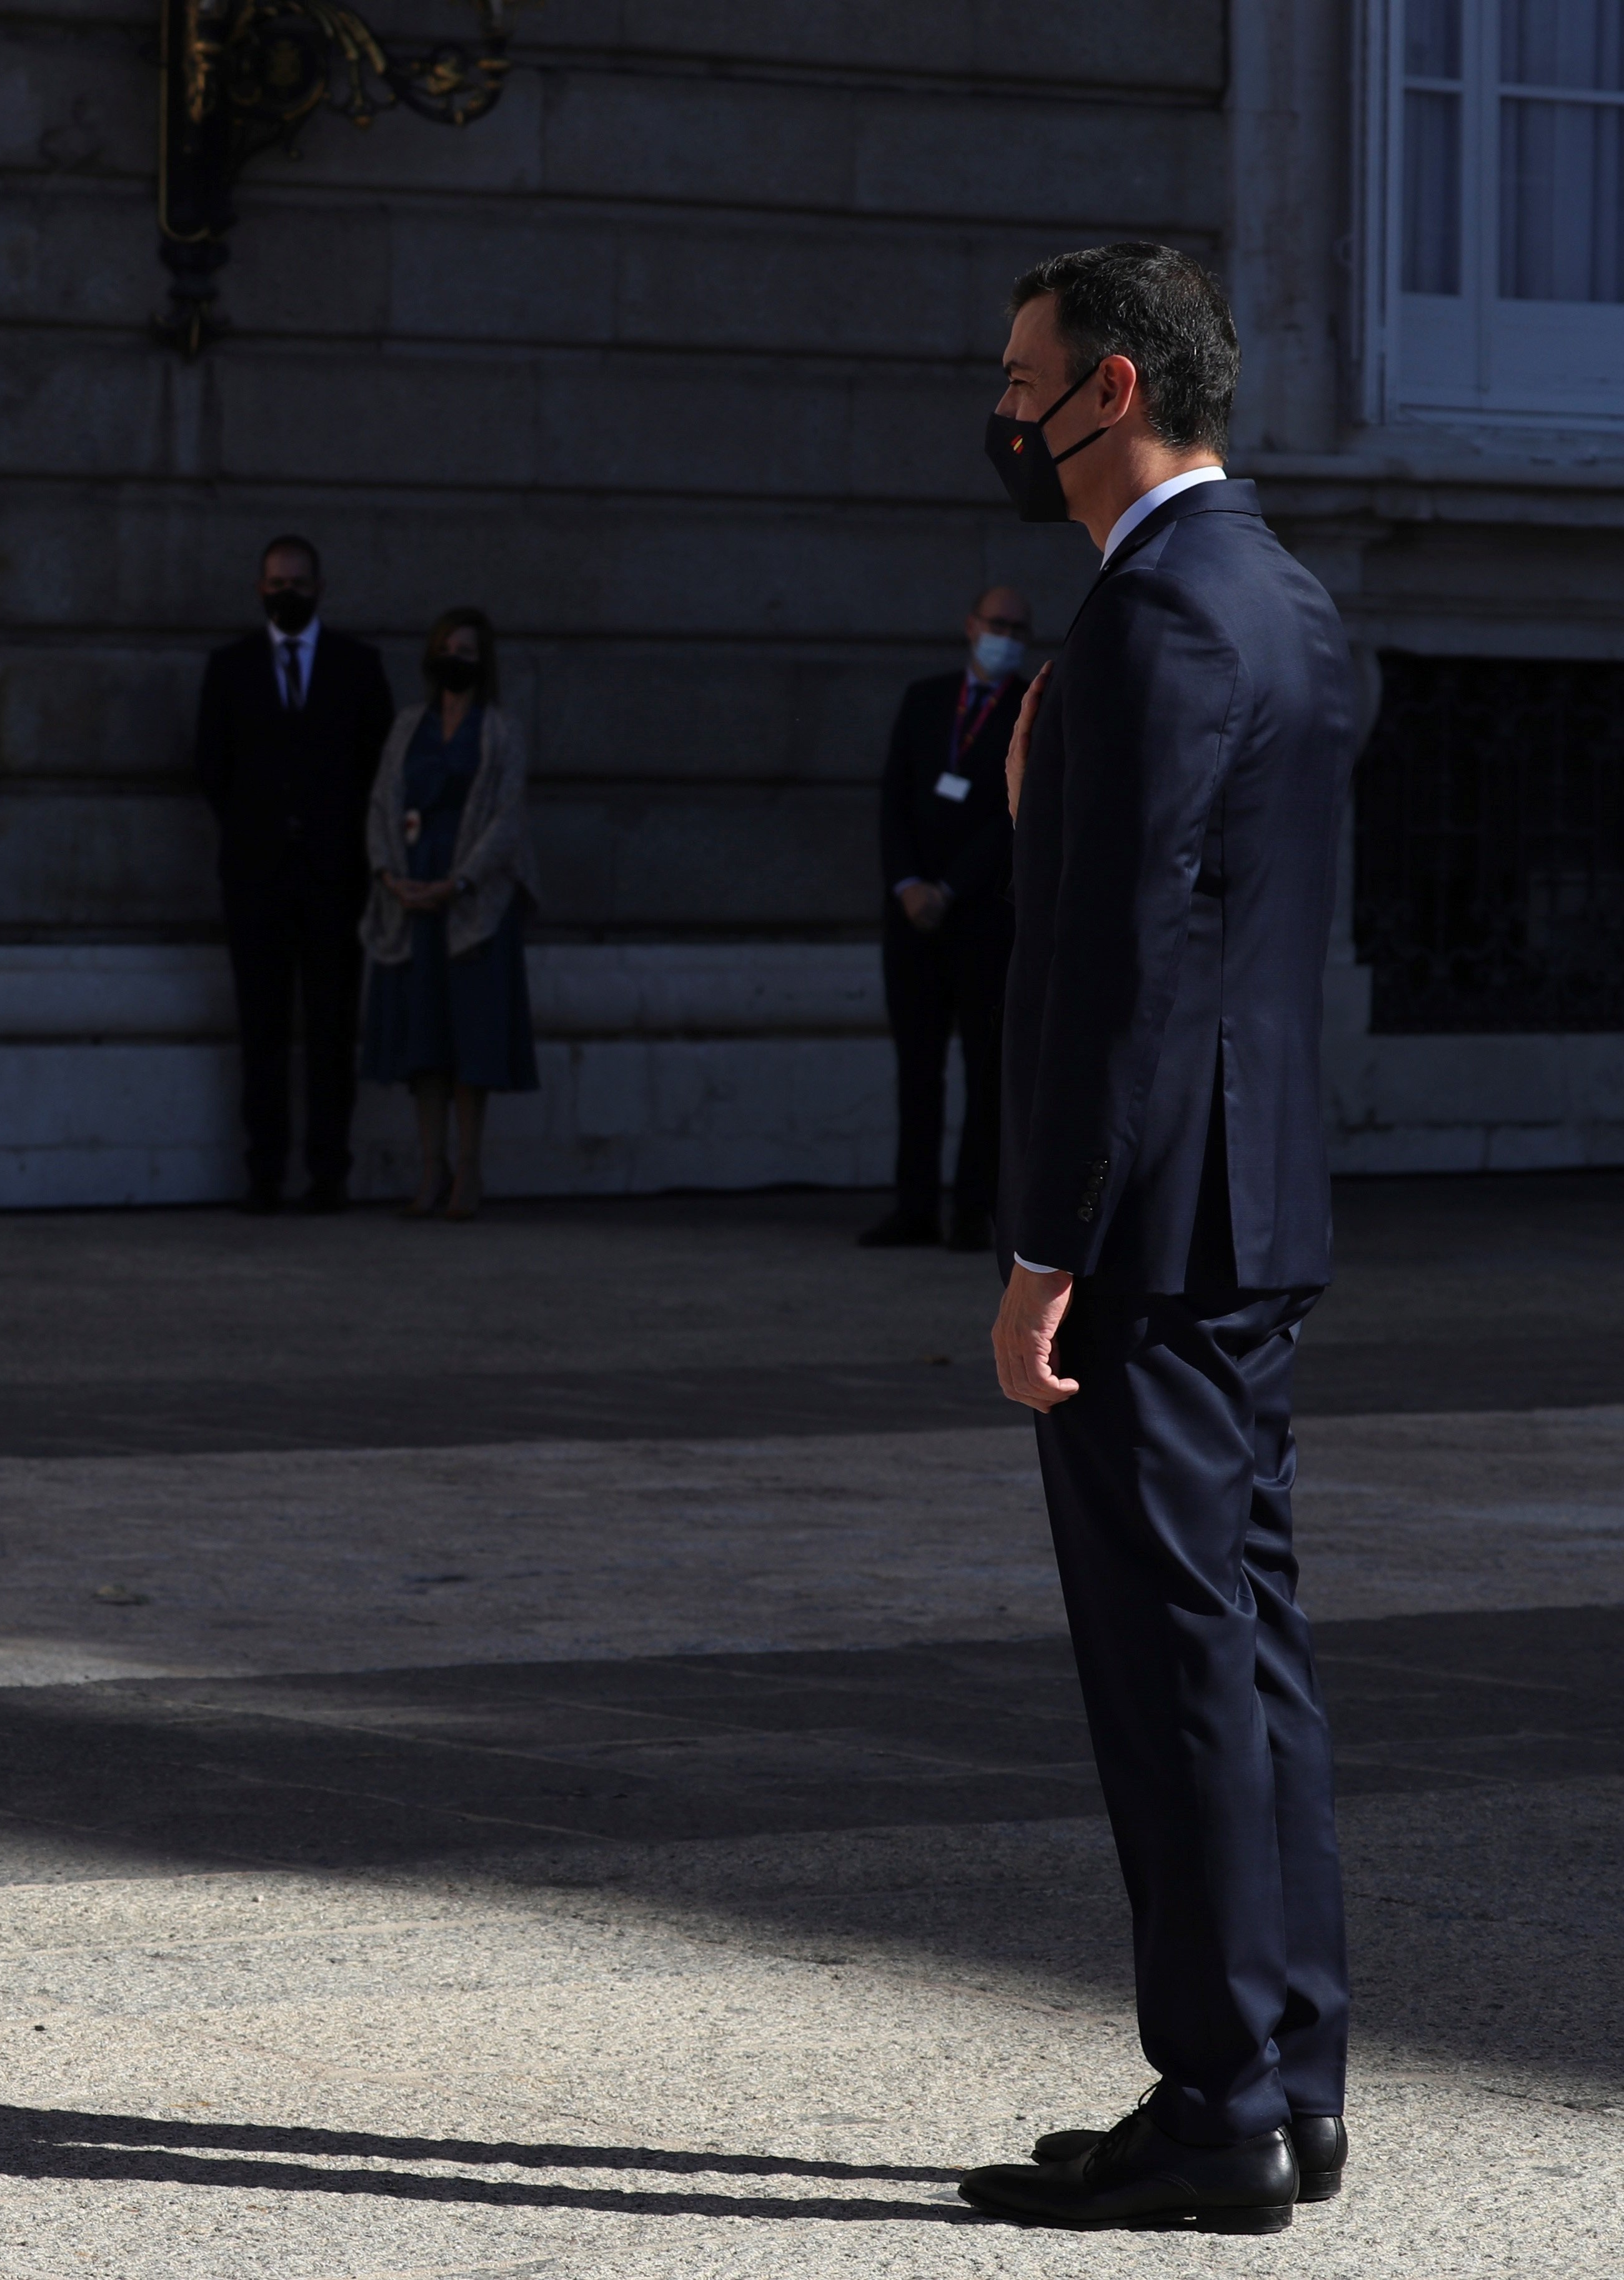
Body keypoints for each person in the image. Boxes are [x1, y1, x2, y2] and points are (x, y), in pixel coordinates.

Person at [959, 243, 1358, 2234]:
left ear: (1110, 388)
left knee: (1175, 1662)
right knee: (1251, 1646)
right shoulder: (1278, 592)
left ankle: (1216, 2110)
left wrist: (1047, 1243)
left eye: (1024, 378)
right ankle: (1290, 2078)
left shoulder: (1149, 625)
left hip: (1156, 1231)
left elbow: (1125, 971)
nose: (1005, 410)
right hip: (1255, 1204)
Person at [193, 536, 396, 1212]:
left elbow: (379, 772)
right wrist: (258, 833)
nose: (288, 592)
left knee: (334, 1030)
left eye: (300, 582)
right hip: (256, 880)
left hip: (335, 879)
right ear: (259, 588)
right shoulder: (230, 668)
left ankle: (329, 1171)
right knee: (263, 1031)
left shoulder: (358, 668)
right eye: (277, 581)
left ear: (320, 588)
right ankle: (265, 1172)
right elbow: (211, 769)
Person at [860, 586, 1028, 1252]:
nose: (1006, 635)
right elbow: (893, 799)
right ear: (971, 626)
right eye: (997, 623)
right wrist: (907, 886)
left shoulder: (1027, 709)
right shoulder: (927, 700)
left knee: (984, 1071)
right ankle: (914, 1206)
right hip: (913, 920)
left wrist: (950, 888)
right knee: (917, 1069)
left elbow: (1011, 816)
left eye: (1019, 627)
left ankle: (971, 1210)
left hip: (981, 917)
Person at [357, 606, 538, 1219]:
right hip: (411, 896)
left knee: (471, 1037)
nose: (454, 659)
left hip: (472, 902)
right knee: (424, 1038)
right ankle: (429, 1168)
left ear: (483, 660)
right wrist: (390, 876)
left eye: (466, 650)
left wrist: (459, 882)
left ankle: (469, 1169)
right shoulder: (409, 725)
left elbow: (507, 818)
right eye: (444, 648)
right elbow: (382, 802)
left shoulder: (502, 729)